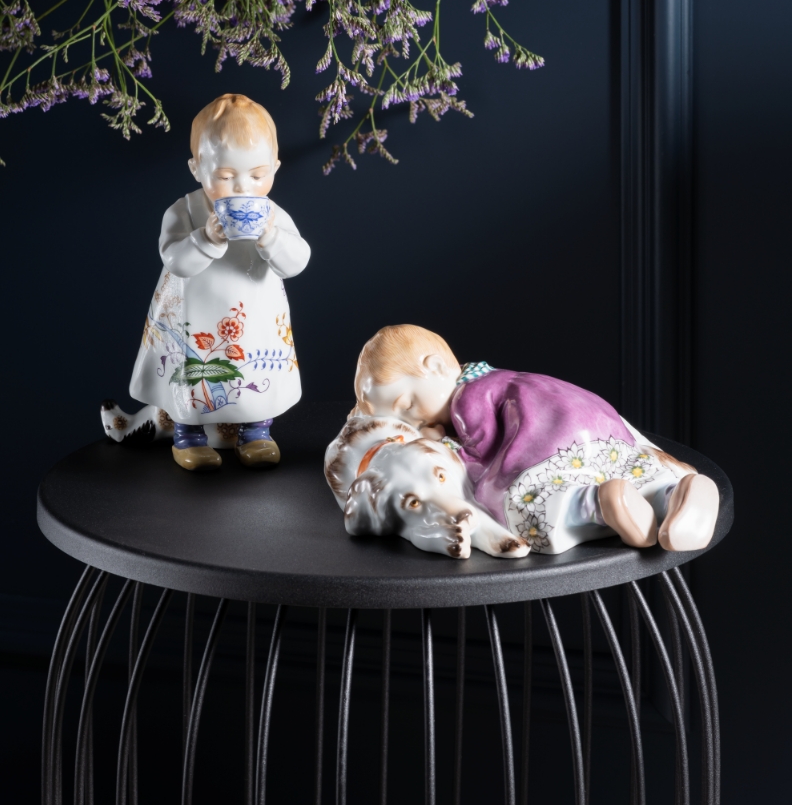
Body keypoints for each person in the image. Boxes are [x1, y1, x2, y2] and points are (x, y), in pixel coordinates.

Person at [350, 324, 719, 554]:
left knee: (517, 505)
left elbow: (480, 452)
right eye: (403, 418)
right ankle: (676, 493)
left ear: (436, 368)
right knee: (627, 465)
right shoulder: (500, 375)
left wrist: (450, 447)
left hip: (549, 441)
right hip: (596, 424)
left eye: (408, 405)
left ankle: (601, 504)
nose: (414, 421)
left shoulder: (466, 401)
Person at [129, 94, 310, 471]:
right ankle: (188, 436)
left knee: (256, 370)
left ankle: (256, 432)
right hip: (196, 316)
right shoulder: (185, 210)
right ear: (197, 168)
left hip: (254, 317)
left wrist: (271, 238)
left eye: (258, 175)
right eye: (226, 177)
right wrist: (206, 239)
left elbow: (297, 261)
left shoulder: (273, 215)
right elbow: (174, 260)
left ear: (275, 167)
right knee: (191, 372)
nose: (243, 188)